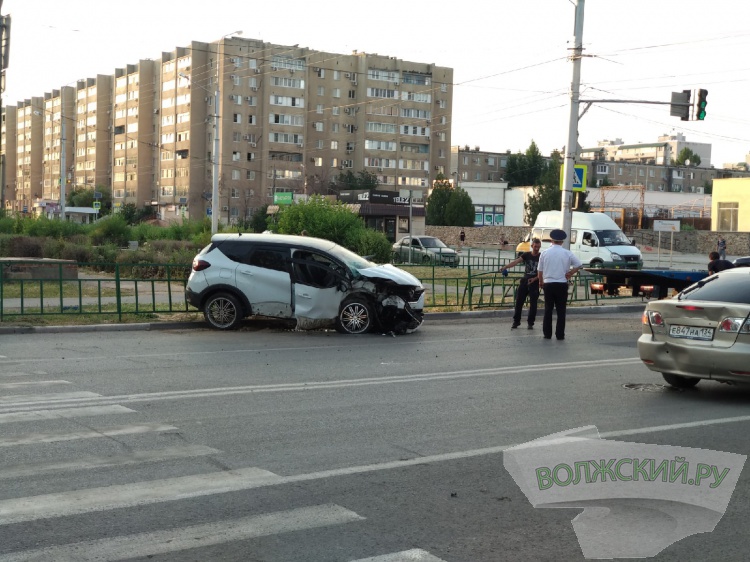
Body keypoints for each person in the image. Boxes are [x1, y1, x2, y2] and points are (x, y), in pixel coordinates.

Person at [537, 229, 583, 341]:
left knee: (548, 309)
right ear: (562, 241)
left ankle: (547, 334)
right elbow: (579, 264)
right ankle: (560, 334)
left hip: (548, 284)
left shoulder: (545, 253)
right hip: (562, 284)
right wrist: (570, 273)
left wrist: (541, 282)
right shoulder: (567, 253)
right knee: (561, 310)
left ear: (551, 240)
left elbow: (540, 270)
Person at [502, 238, 542, 329]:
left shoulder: (541, 257)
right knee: (519, 302)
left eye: (538, 247)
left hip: (535, 283)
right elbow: (516, 261)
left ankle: (530, 323)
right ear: (532, 246)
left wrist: (535, 279)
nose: (537, 249)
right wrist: (506, 267)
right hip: (525, 281)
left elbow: (543, 271)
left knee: (533, 304)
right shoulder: (526, 255)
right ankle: (516, 321)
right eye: (535, 247)